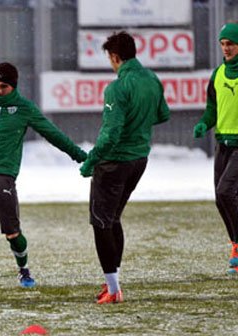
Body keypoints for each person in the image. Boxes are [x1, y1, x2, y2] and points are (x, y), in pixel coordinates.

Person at [0, 62, 87, 288]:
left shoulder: (24, 109)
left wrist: (79, 155)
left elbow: (53, 134)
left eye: (4, 86)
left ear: (14, 87)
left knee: (12, 232)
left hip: (1, 177)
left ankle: (23, 270)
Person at [80, 31, 170, 304]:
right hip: (139, 160)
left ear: (115, 57)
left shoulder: (117, 87)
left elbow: (111, 134)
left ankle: (114, 289)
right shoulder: (151, 79)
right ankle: (113, 283)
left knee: (101, 222)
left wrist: (91, 160)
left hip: (114, 162)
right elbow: (162, 114)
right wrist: (137, 124)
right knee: (113, 218)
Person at [193, 22, 238, 275]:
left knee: (226, 192)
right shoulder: (218, 74)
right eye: (223, 44)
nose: (226, 48)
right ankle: (236, 245)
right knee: (220, 200)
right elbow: (212, 108)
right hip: (223, 144)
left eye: (230, 43)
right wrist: (203, 123)